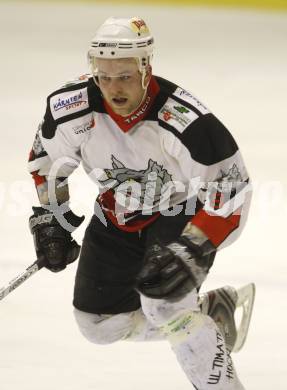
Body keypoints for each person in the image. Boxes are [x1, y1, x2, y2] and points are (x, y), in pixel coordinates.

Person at [28, 17, 254, 390]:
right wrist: (54, 218)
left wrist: (191, 247)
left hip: (181, 212)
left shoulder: (185, 120)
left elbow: (232, 190)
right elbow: (46, 161)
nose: (113, 88)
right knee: (98, 324)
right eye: (104, 76)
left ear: (146, 68)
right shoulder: (70, 109)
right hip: (118, 212)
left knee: (164, 306)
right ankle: (213, 313)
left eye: (125, 77)